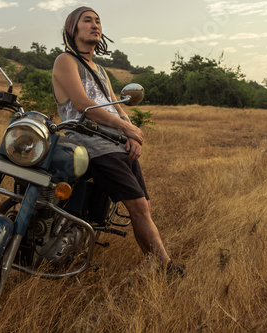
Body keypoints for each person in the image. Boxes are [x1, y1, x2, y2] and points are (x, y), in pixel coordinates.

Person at [52, 7, 183, 276]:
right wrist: (124, 127)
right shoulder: (65, 61)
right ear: (72, 29)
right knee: (137, 205)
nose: (94, 25)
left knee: (144, 206)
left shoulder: (100, 70)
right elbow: (83, 104)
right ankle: (165, 267)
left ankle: (155, 263)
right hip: (91, 142)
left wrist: (131, 133)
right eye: (87, 20)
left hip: (114, 141)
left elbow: (117, 108)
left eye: (98, 21)